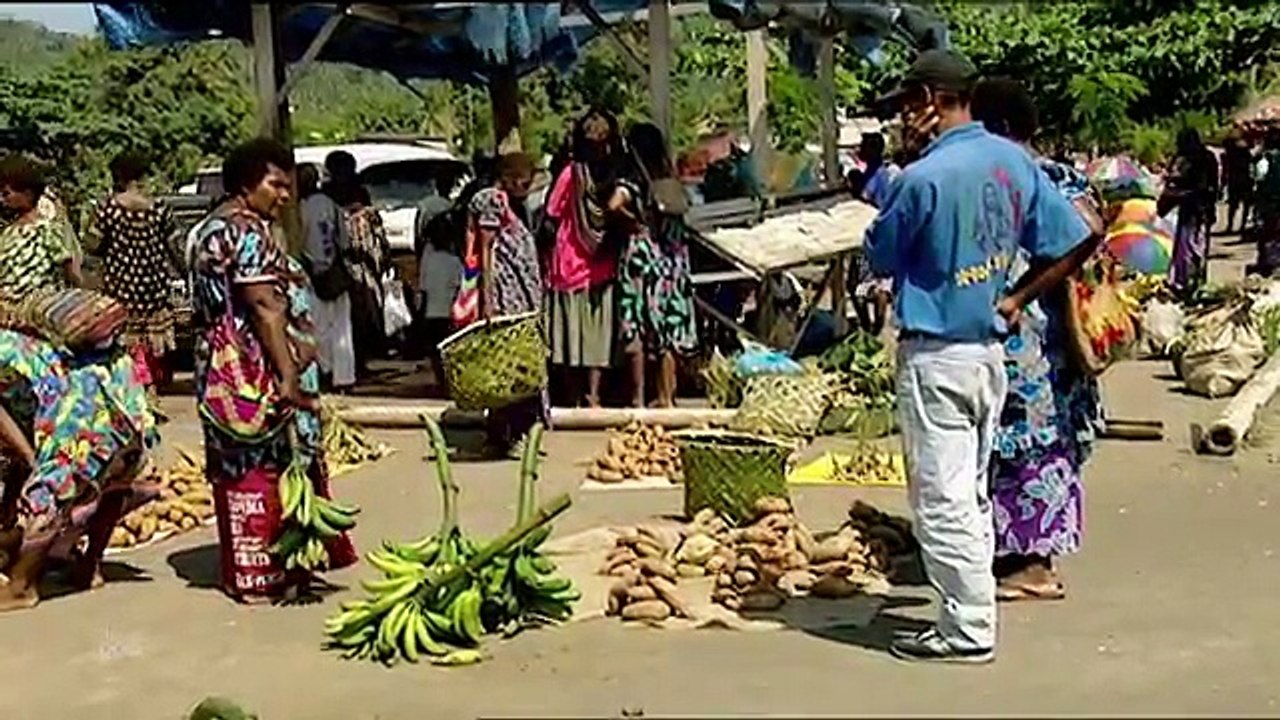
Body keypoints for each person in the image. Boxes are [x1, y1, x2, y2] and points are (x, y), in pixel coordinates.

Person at [864, 50, 1095, 663]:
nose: (905, 116)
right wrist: (1018, 297)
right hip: (990, 352)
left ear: (928, 101)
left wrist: (905, 165)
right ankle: (970, 614)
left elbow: (882, 256)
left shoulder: (922, 178)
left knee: (941, 499)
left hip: (936, 354)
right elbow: (1078, 236)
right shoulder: (1012, 161)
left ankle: (966, 630)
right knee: (971, 493)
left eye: (909, 103)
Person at [188, 139, 356, 603]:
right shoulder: (247, 232)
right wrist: (286, 375)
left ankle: (248, 573)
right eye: (274, 185)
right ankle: (278, 569)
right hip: (253, 368)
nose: (284, 195)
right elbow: (265, 307)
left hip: (218, 368)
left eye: (288, 186)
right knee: (271, 462)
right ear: (246, 184)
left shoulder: (209, 229)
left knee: (237, 464)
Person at [971, 78, 1106, 603]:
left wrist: (1021, 296)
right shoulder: (1031, 175)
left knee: (1028, 442)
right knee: (1023, 442)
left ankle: (1030, 564)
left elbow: (1087, 229)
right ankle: (1017, 555)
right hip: (1033, 342)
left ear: (1000, 130)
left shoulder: (1037, 177)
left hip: (1034, 344)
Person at [0, 326, 157, 611]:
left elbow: (7, 426)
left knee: (46, 493)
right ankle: (88, 567)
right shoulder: (16, 341)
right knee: (112, 479)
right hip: (116, 392)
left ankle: (22, 587)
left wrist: (34, 462)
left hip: (77, 409)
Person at [458, 153, 546, 456]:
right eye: (525, 178)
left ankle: (514, 433)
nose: (528, 185)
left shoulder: (510, 203)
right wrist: (489, 301)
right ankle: (505, 436)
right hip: (505, 296)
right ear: (508, 176)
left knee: (518, 366)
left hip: (520, 296)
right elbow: (486, 251)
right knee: (506, 368)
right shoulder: (491, 200)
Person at [544, 108, 625, 407]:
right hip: (602, 266)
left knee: (569, 339)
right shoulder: (618, 177)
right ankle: (593, 397)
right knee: (598, 339)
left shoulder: (570, 174)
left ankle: (575, 397)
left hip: (569, 266)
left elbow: (551, 216)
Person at [86, 151, 182, 397]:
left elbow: (92, 246)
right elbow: (176, 249)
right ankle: (150, 395)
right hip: (155, 293)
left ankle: (131, 396)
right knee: (153, 349)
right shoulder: (159, 209)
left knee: (125, 352)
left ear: (117, 177)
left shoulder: (108, 209)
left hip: (121, 292)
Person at [615, 122, 697, 408]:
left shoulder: (633, 179)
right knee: (670, 330)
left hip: (643, 256)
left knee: (636, 326)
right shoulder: (668, 177)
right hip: (673, 260)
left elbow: (614, 204)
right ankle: (667, 397)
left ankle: (638, 398)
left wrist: (633, 221)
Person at [325, 151, 390, 379]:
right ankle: (354, 363)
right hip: (351, 264)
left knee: (360, 316)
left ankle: (358, 361)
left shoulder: (338, 194)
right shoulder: (334, 197)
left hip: (358, 264)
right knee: (355, 316)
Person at [299, 163, 356, 392]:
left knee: (318, 329)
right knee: (342, 329)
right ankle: (344, 378)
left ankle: (324, 373)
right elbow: (345, 242)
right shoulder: (331, 205)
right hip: (336, 274)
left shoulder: (298, 208)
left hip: (313, 275)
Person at [0, 155, 81, 299]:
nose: (2, 199)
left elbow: (70, 271)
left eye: (7, 194)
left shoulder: (47, 230)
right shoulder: (9, 232)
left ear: (27, 194)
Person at [849, 133, 901, 336]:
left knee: (856, 285)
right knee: (878, 283)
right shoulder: (885, 174)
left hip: (869, 235)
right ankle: (874, 328)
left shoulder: (877, 177)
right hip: (885, 236)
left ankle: (871, 328)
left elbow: (867, 202)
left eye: (864, 146)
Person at [1164, 129, 1219, 297]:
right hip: (1200, 208)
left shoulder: (1197, 159)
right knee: (1193, 246)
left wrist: (1176, 186)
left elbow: (1202, 184)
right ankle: (1194, 282)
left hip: (1194, 208)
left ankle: (1187, 284)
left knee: (1190, 247)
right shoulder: (1205, 157)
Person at [417, 212, 463, 392]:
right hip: (449, 312)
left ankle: (441, 383)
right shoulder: (455, 262)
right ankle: (450, 384)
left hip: (432, 312)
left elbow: (424, 288)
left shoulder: (429, 260)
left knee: (435, 352)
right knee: (450, 352)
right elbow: (459, 289)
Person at [1254, 129, 1280, 276]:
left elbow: (1259, 178)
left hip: (1270, 203)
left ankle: (1269, 266)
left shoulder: (1266, 159)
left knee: (1268, 234)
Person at [1223, 133, 1256, 235]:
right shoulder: (1245, 152)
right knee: (1244, 204)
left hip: (1236, 180)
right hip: (1245, 180)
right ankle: (1241, 225)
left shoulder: (1229, 154)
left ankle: (1230, 226)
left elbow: (1226, 169)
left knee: (1233, 205)